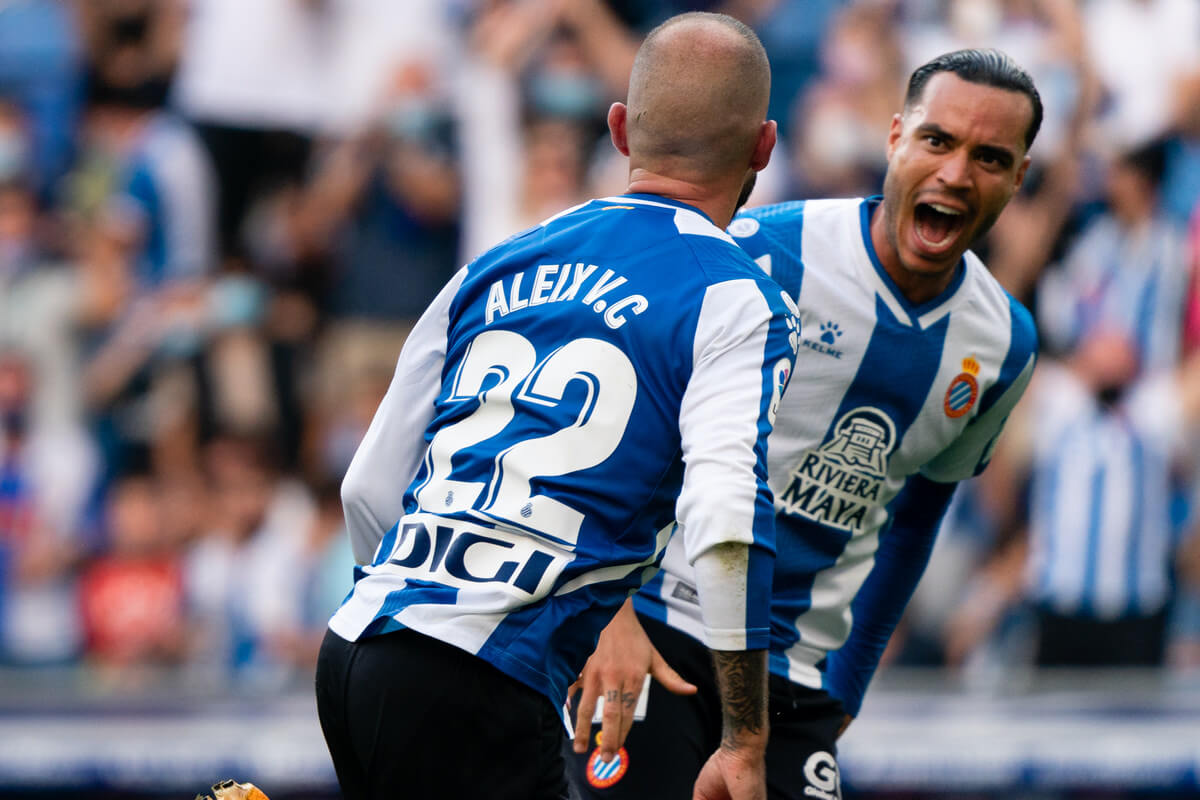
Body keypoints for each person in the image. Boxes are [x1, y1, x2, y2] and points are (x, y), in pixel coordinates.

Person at [315, 13, 799, 800]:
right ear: (764, 147)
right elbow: (726, 519)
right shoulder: (737, 297)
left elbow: (367, 487)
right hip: (481, 680)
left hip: (357, 644)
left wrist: (423, 618)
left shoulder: (495, 263)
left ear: (619, 129)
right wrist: (745, 738)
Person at [567, 49, 1041, 800]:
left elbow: (917, 521)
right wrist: (607, 614)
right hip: (656, 637)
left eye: (989, 157)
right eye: (938, 141)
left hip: (794, 681)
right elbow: (622, 435)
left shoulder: (1003, 345)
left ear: (1018, 179)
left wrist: (847, 689)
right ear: (894, 138)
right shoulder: (761, 251)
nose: (956, 173)